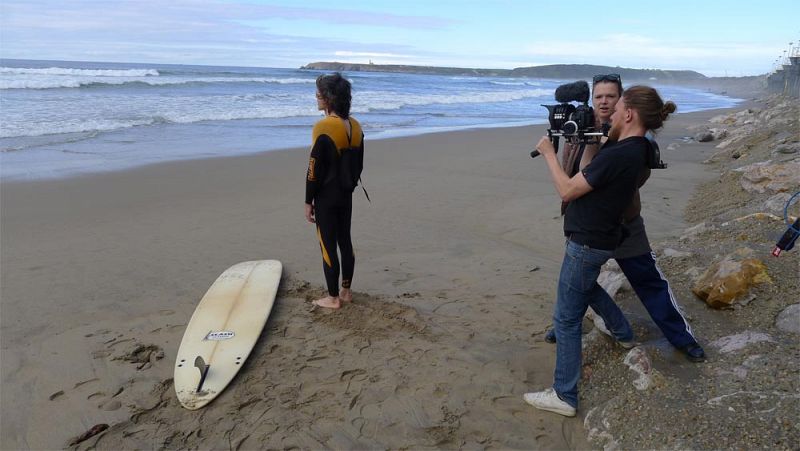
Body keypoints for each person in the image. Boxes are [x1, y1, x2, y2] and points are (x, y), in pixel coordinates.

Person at [524, 85, 676, 417]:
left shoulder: (624, 153)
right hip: (597, 237)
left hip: (588, 241)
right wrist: (591, 143)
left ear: (629, 113)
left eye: (617, 105)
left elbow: (568, 187)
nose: (609, 111)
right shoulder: (632, 148)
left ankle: (564, 395)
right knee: (583, 285)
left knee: (565, 319)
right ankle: (622, 333)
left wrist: (549, 153)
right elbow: (590, 172)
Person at [543, 74, 705, 363]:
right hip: (585, 221)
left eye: (611, 97)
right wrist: (586, 140)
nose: (605, 102)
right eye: (599, 97)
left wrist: (605, 144)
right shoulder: (580, 122)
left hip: (624, 222)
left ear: (623, 103)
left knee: (648, 281)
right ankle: (566, 326)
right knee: (578, 278)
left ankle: (683, 339)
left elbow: (634, 177)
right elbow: (571, 169)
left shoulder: (634, 136)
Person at [305, 73, 364, 309]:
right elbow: (359, 164)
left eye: (319, 94)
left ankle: (332, 298)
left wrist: (308, 200)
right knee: (345, 242)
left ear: (329, 98)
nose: (316, 98)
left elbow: (313, 169)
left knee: (327, 245)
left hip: (327, 197)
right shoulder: (355, 126)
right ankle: (346, 291)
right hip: (346, 194)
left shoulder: (324, 127)